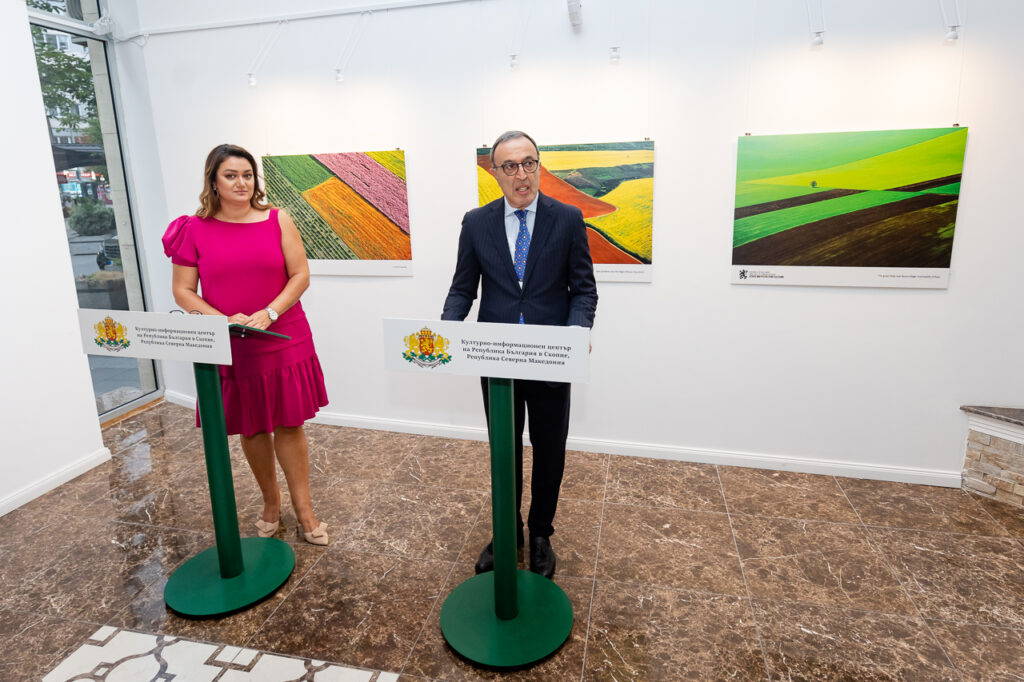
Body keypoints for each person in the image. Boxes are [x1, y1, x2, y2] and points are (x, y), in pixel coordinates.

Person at [442, 130, 598, 578]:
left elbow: (584, 290)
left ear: (539, 166)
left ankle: (541, 532)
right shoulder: (477, 223)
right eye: (510, 166)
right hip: (496, 362)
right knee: (504, 452)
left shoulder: (567, 218)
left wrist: (576, 333)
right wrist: (447, 330)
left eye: (529, 163)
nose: (521, 174)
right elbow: (462, 288)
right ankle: (507, 531)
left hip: (551, 360)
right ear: (495, 173)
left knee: (550, 451)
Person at [162, 143, 330, 546]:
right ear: (213, 182)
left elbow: (301, 275)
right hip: (233, 342)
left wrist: (269, 312)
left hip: (283, 334)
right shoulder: (192, 229)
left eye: (247, 175)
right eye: (231, 175)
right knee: (252, 426)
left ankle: (305, 509)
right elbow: (183, 291)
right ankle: (271, 502)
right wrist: (223, 321)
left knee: (290, 422)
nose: (241, 183)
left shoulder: (277, 219)